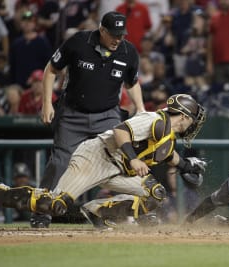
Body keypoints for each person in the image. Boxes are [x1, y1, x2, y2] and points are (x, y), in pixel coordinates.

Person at [0, 94, 207, 229]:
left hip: (118, 169)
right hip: (97, 156)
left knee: (155, 194)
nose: (194, 124)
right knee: (55, 206)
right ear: (184, 116)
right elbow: (120, 131)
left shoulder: (167, 135)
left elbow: (167, 154)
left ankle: (97, 211)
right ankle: (0, 193)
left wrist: (187, 165)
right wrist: (135, 159)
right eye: (193, 119)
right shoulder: (155, 119)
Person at [31, 11, 146, 228]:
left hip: (108, 115)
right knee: (59, 163)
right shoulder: (79, 42)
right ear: (101, 30)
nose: (118, 39)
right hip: (73, 114)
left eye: (121, 34)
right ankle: (42, 211)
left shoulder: (128, 51)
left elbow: (132, 83)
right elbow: (51, 69)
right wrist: (47, 103)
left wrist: (140, 108)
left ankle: (138, 208)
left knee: (124, 160)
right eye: (113, 34)